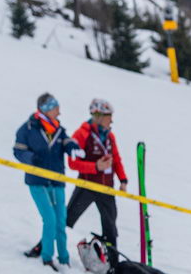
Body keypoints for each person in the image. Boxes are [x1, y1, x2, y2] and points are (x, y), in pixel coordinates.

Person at [27, 97, 125, 261]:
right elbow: (73, 163)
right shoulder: (82, 134)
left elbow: (116, 158)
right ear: (99, 116)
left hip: (106, 187)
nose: (112, 120)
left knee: (110, 226)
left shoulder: (110, 136)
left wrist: (123, 179)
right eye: (109, 116)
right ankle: (42, 246)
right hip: (86, 186)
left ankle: (113, 262)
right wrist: (95, 167)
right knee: (66, 219)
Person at [13, 92, 78, 270]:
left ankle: (64, 258)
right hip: (37, 181)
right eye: (55, 107)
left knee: (60, 220)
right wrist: (30, 158)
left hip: (57, 181)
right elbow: (18, 150)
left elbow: (67, 141)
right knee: (49, 219)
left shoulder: (58, 129)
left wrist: (73, 148)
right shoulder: (28, 128)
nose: (59, 111)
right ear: (46, 109)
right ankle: (47, 257)